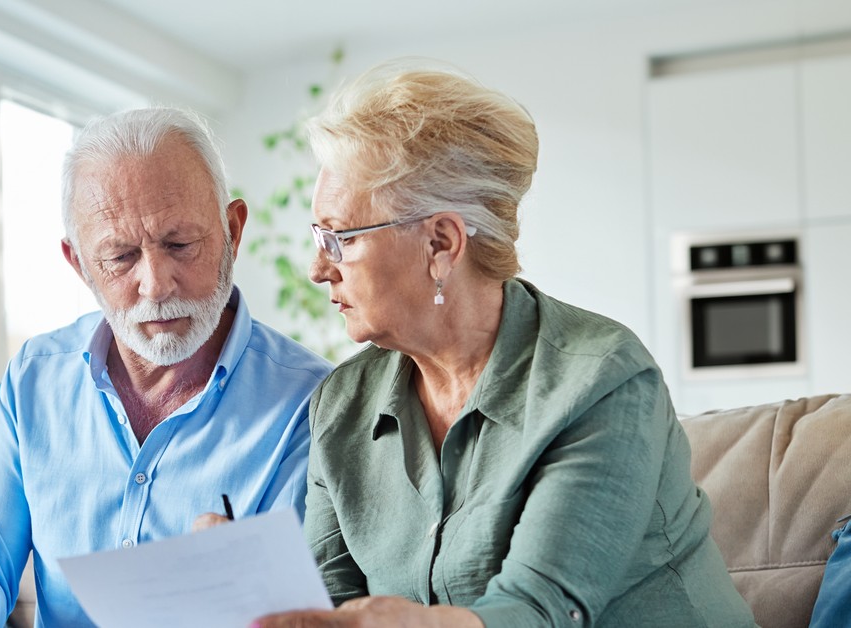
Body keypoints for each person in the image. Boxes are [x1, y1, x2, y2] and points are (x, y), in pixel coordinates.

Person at [256, 59, 755, 627]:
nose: (317, 268)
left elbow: (540, 609)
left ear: (441, 243)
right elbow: (329, 601)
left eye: (339, 237)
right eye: (318, 236)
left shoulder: (602, 379)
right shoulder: (341, 404)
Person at [0, 107, 331, 627]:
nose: (157, 284)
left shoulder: (313, 401)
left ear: (232, 231)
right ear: (78, 263)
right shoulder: (33, 380)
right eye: (120, 257)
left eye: (180, 244)